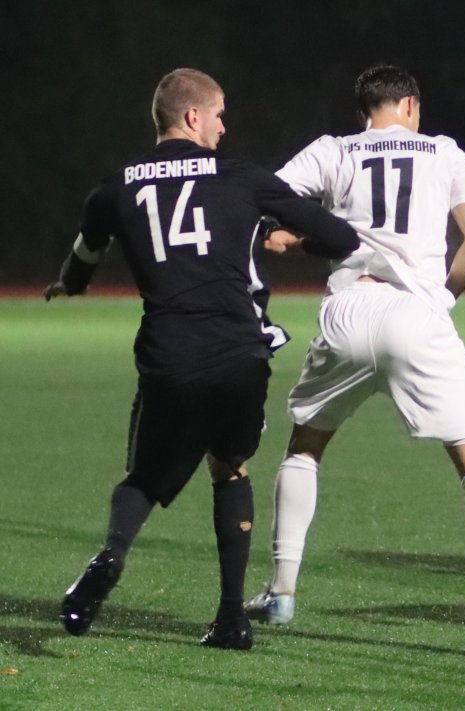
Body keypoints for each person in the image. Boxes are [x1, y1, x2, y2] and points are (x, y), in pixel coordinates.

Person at [241, 64, 465, 658]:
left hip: (348, 309)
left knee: (305, 446)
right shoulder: (444, 151)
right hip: (418, 313)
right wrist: (444, 298)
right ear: (410, 106)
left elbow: (262, 199)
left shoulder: (334, 150)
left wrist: (292, 238)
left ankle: (281, 590)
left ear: (364, 112)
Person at [49, 68, 360, 650]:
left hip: (169, 352)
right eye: (218, 115)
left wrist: (69, 284)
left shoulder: (114, 187)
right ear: (193, 116)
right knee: (230, 467)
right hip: (240, 352)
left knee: (144, 478)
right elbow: (342, 239)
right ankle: (230, 618)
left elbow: (86, 253)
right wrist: (291, 240)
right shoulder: (242, 176)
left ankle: (110, 555)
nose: (223, 126)